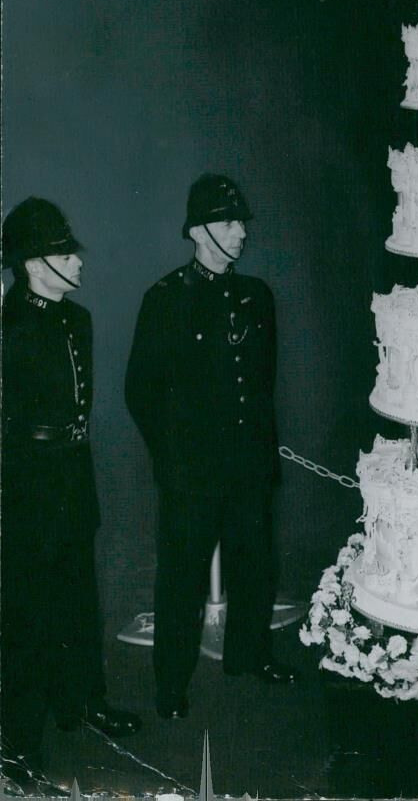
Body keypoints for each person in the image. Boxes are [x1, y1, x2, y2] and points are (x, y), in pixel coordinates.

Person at [125, 173, 297, 721]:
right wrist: (173, 461)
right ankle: (170, 685)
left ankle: (249, 657)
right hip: (192, 475)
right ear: (198, 231)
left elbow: (262, 381)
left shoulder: (256, 296)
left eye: (242, 222)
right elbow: (141, 391)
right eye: (228, 222)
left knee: (256, 568)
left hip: (248, 468)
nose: (241, 232)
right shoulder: (165, 299)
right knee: (182, 580)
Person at [1, 198, 141, 787]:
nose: (78, 263)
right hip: (27, 482)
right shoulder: (9, 326)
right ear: (35, 265)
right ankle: (17, 743)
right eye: (64, 254)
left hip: (72, 474)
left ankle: (83, 703)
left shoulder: (76, 319)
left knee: (79, 599)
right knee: (27, 617)